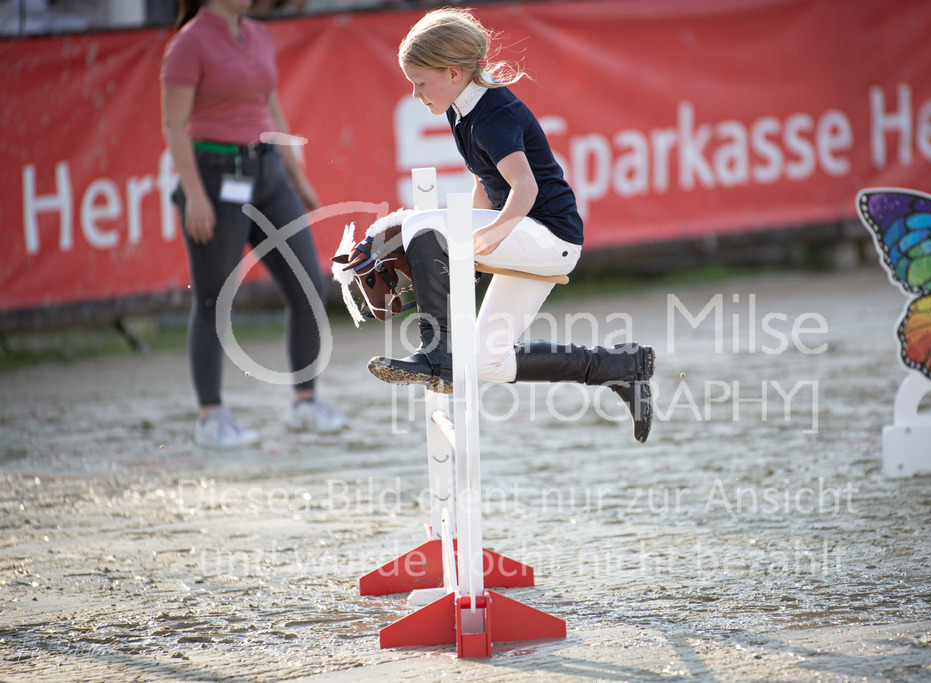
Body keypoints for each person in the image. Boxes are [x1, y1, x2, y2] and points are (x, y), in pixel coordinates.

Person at [368, 8, 656, 442]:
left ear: (452, 72)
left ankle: (436, 355)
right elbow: (489, 181)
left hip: (547, 235)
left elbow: (525, 187)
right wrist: (464, 237)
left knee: (421, 225)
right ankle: (619, 368)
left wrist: (492, 232)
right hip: (535, 235)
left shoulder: (492, 114)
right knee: (489, 361)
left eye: (420, 82)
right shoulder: (463, 108)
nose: (415, 93)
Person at [161, 0, 345, 448]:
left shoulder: (258, 34)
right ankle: (212, 416)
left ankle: (305, 402)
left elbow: (271, 108)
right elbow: (173, 124)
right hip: (214, 174)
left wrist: (297, 176)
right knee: (213, 303)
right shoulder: (188, 43)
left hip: (269, 174)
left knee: (308, 287)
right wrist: (195, 194)